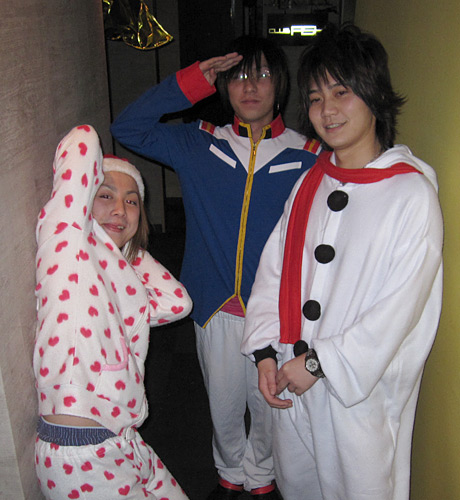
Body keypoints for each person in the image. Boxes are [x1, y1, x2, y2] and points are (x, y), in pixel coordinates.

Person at [111, 36, 321, 499]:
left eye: (262, 74)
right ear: (224, 86)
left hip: (276, 313)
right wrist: (191, 83)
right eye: (239, 76)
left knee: (270, 408)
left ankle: (261, 478)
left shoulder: (308, 155)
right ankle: (229, 476)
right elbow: (127, 127)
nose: (250, 86)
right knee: (223, 408)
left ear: (279, 85)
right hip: (215, 305)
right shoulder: (199, 143)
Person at [241, 24, 443, 500]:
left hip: (359, 401)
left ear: (375, 95)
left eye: (341, 92)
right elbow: (274, 271)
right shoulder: (310, 182)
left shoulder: (410, 194)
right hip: (293, 383)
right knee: (299, 488)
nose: (326, 110)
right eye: (314, 98)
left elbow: (398, 310)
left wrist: (319, 363)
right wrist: (266, 353)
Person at [34, 124, 193, 499]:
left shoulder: (117, 278)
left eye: (132, 201)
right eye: (105, 195)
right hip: (80, 456)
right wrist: (92, 225)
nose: (120, 209)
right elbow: (83, 139)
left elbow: (177, 302)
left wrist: (126, 246)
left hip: (124, 440)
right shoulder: (66, 247)